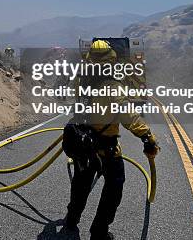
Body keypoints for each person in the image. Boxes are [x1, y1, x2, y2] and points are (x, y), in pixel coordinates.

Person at [62, 39, 159, 240]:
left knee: (81, 184)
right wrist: (147, 136)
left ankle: (72, 219)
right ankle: (99, 232)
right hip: (106, 148)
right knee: (114, 187)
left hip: (82, 143)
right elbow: (128, 116)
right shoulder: (113, 87)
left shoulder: (81, 80)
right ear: (111, 61)